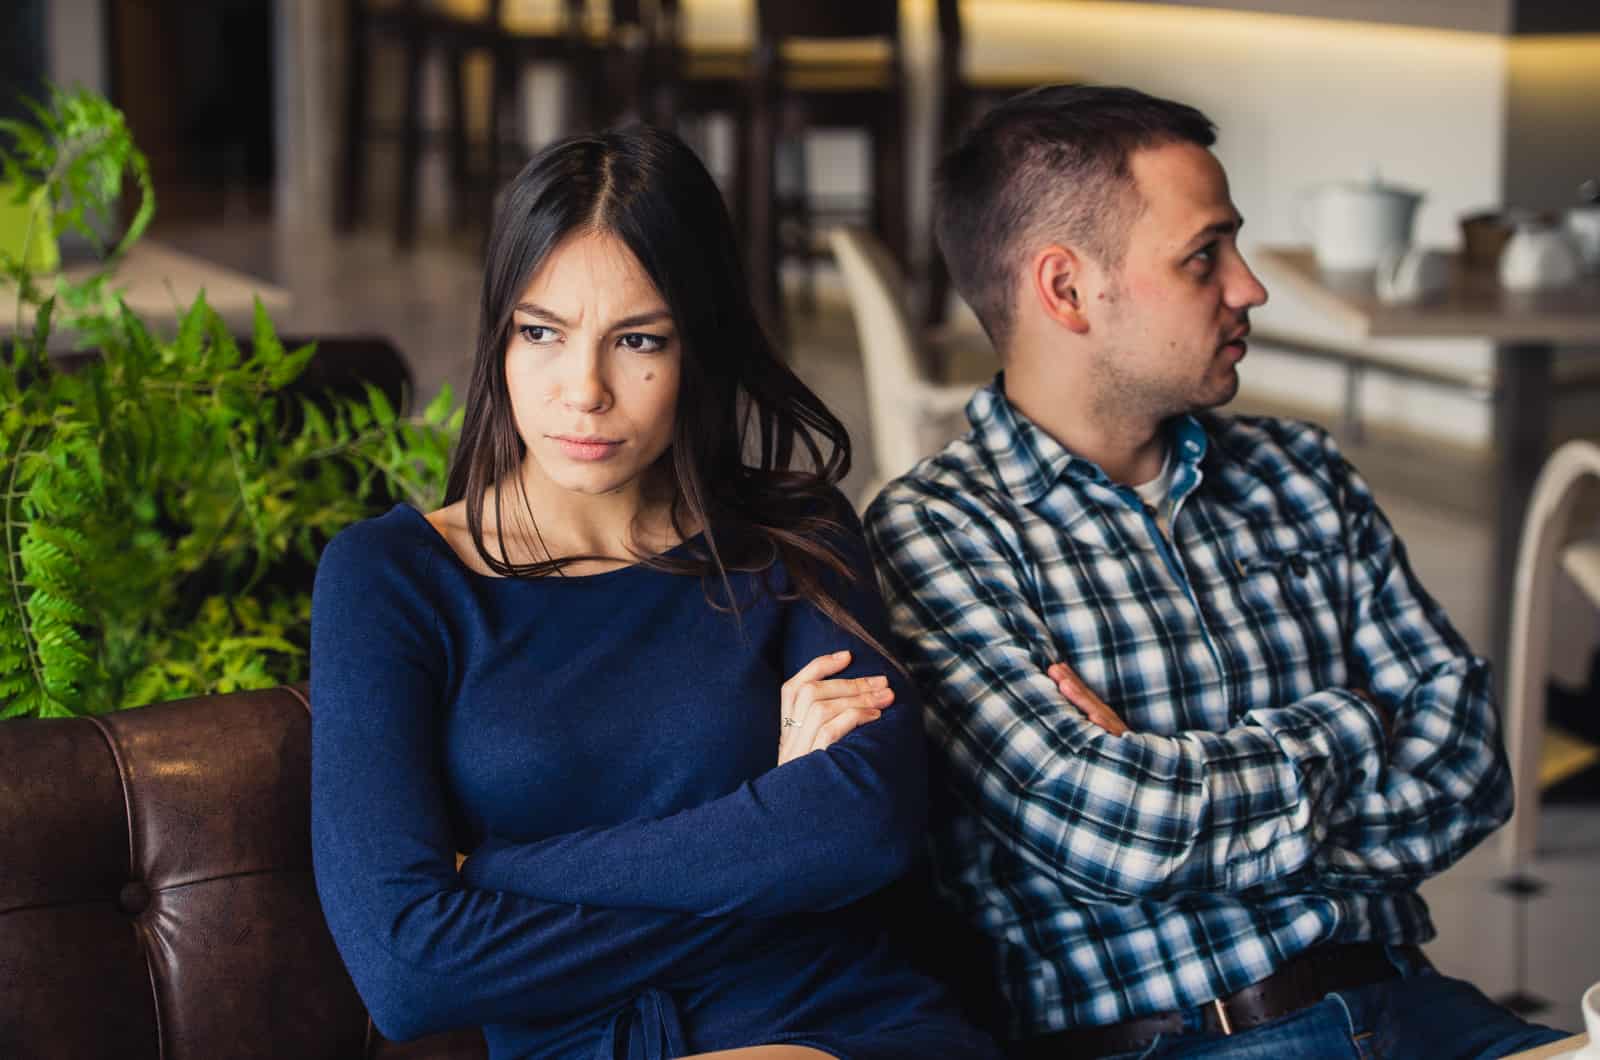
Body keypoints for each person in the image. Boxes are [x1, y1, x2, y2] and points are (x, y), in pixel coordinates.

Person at [863, 84, 1569, 1059]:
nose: (1249, 286)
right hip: (1187, 1039)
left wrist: (1181, 771)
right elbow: (1124, 834)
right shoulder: (936, 533)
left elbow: (1472, 762)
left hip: (1417, 1007)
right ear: (1066, 289)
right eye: (1204, 256)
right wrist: (1358, 716)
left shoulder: (1300, 471)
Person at [309, 125, 999, 1060]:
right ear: (499, 339)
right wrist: (775, 843)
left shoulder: (794, 532)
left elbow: (865, 831)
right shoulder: (390, 580)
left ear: (698, 347)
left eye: (638, 339)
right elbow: (409, 970)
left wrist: (509, 875)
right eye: (542, 332)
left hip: (849, 1020)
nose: (584, 390)